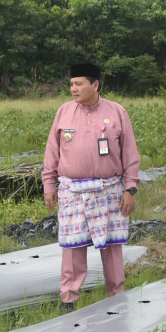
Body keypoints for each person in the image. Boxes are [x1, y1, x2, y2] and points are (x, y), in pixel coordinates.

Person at [43, 63, 140, 312]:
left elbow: (130, 154)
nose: (73, 89)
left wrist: (130, 189)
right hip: (72, 191)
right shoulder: (64, 112)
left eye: (79, 84)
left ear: (95, 85)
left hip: (109, 190)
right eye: (71, 84)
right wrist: (48, 185)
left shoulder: (117, 112)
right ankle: (68, 299)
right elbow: (51, 152)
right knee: (72, 247)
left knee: (112, 247)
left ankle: (116, 295)